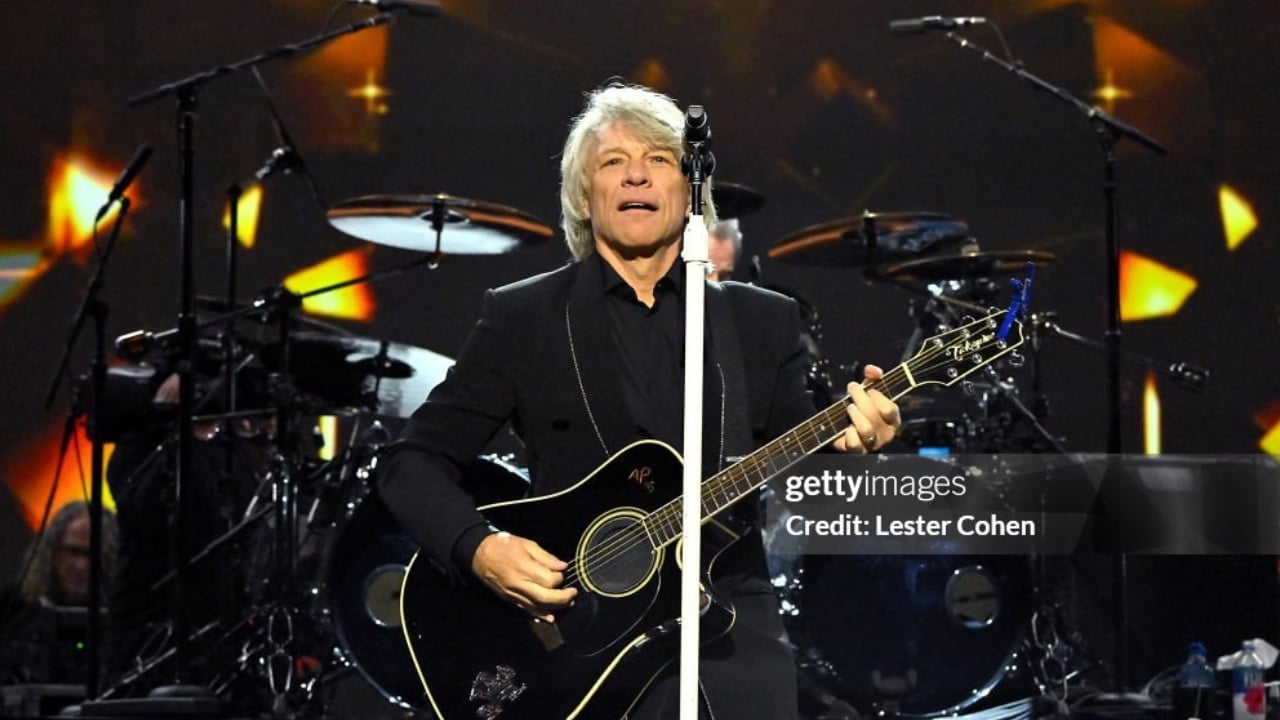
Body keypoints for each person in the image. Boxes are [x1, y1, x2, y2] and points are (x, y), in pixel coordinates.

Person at [376, 82, 901, 719]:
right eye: (613, 162)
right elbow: (412, 461)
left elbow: (803, 471)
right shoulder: (524, 317)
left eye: (658, 160)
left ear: (690, 192)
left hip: (727, 617)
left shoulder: (762, 322)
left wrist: (857, 441)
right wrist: (479, 547)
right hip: (573, 639)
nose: (636, 176)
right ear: (583, 195)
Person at [1, 500, 118, 684]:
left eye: (92, 555)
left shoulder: (119, 619)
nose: (81, 566)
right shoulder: (12, 605)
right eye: (73, 552)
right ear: (53, 552)